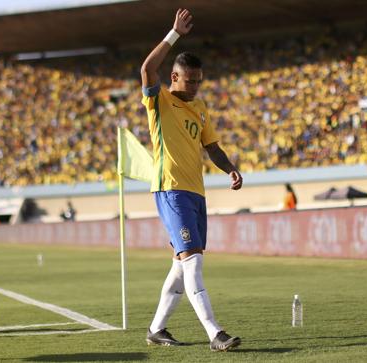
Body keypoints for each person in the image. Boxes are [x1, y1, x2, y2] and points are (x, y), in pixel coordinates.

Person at [140, 8, 243, 352]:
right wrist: (173, 35)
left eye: (199, 80)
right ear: (174, 77)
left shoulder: (200, 110)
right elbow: (145, 69)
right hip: (171, 191)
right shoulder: (160, 101)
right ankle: (216, 333)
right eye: (190, 80)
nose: (196, 85)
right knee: (194, 262)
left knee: (180, 266)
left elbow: (211, 147)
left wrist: (229, 168)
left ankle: (156, 329)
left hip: (195, 195)